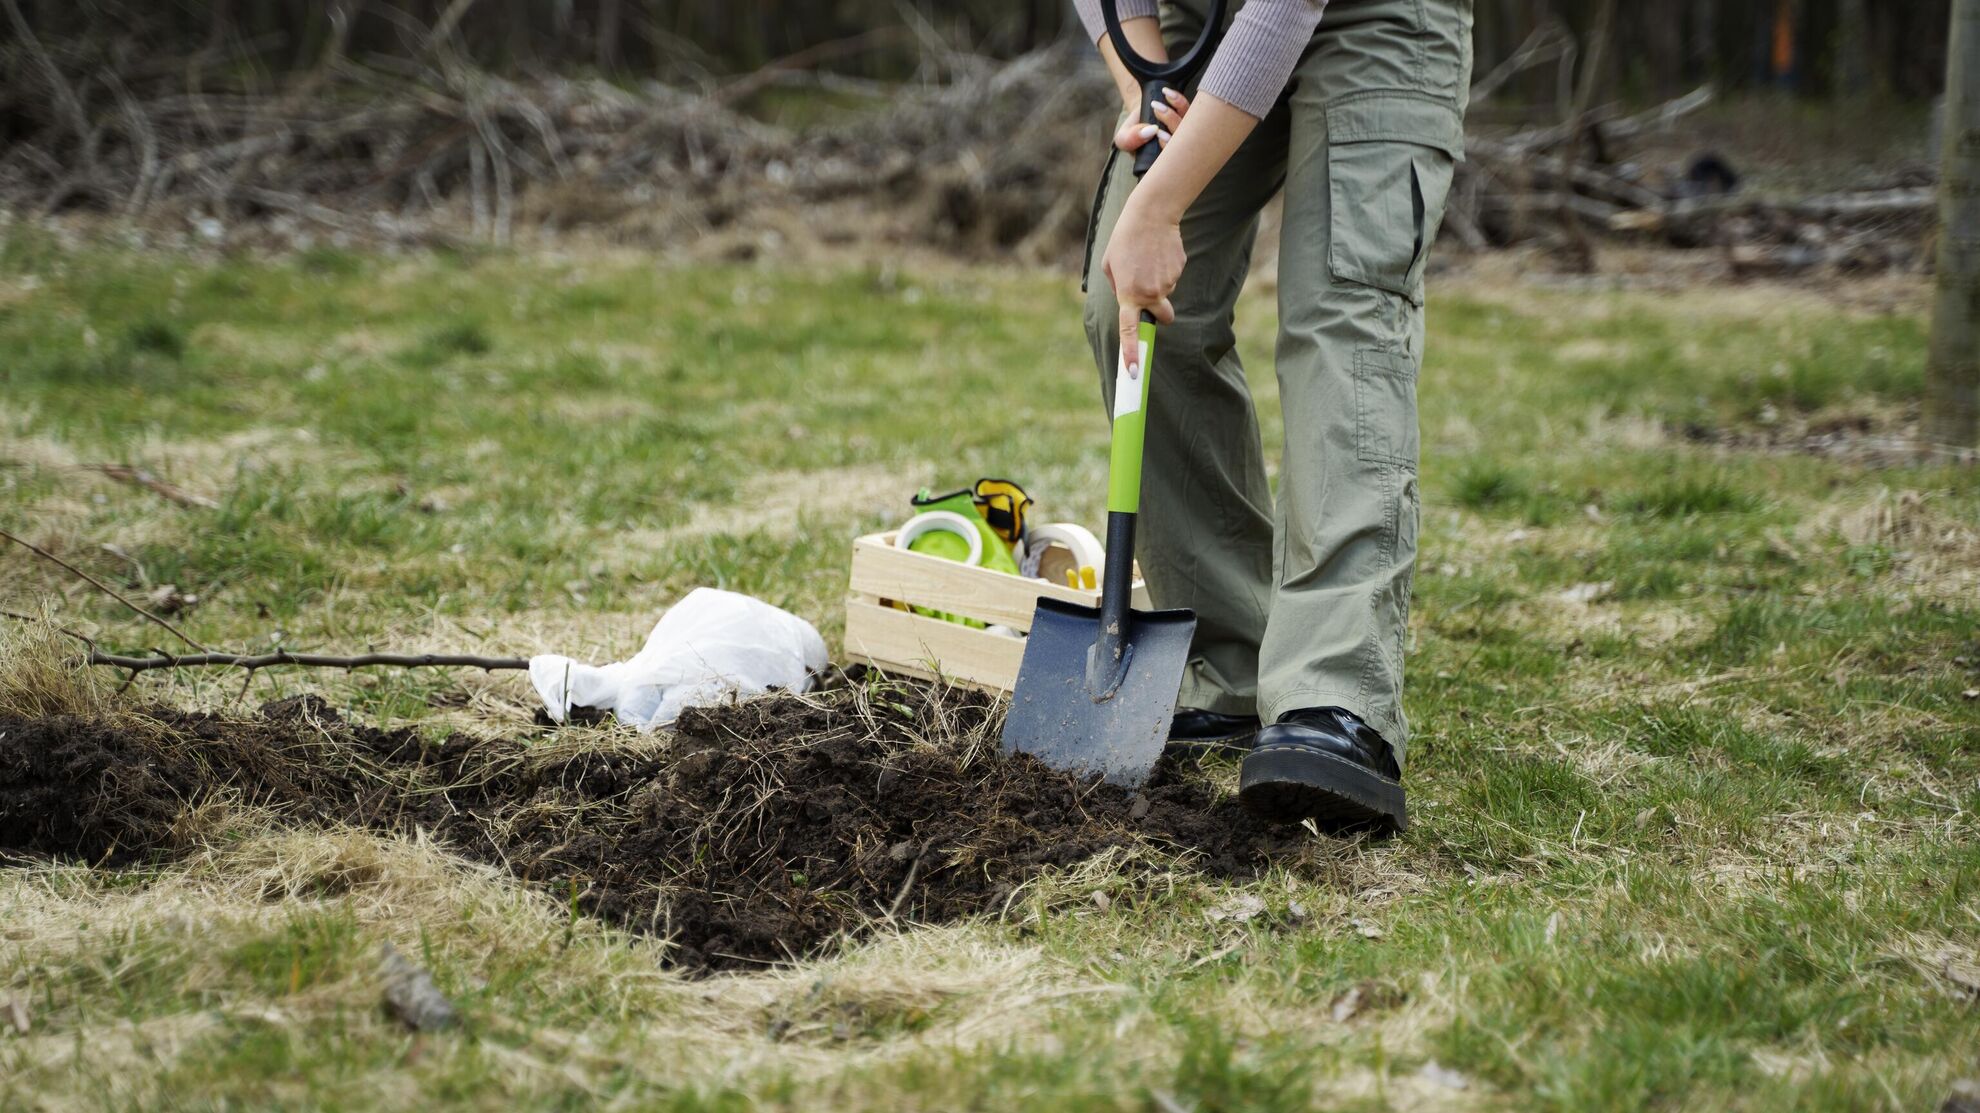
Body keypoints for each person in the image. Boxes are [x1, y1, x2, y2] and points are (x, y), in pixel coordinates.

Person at [1069, 0, 1472, 833]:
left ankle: (1335, 693)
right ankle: (1229, 663)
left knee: (1344, 318)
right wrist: (1143, 79)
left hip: (1376, 20)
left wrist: (1161, 204)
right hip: (1205, 16)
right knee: (1129, 305)